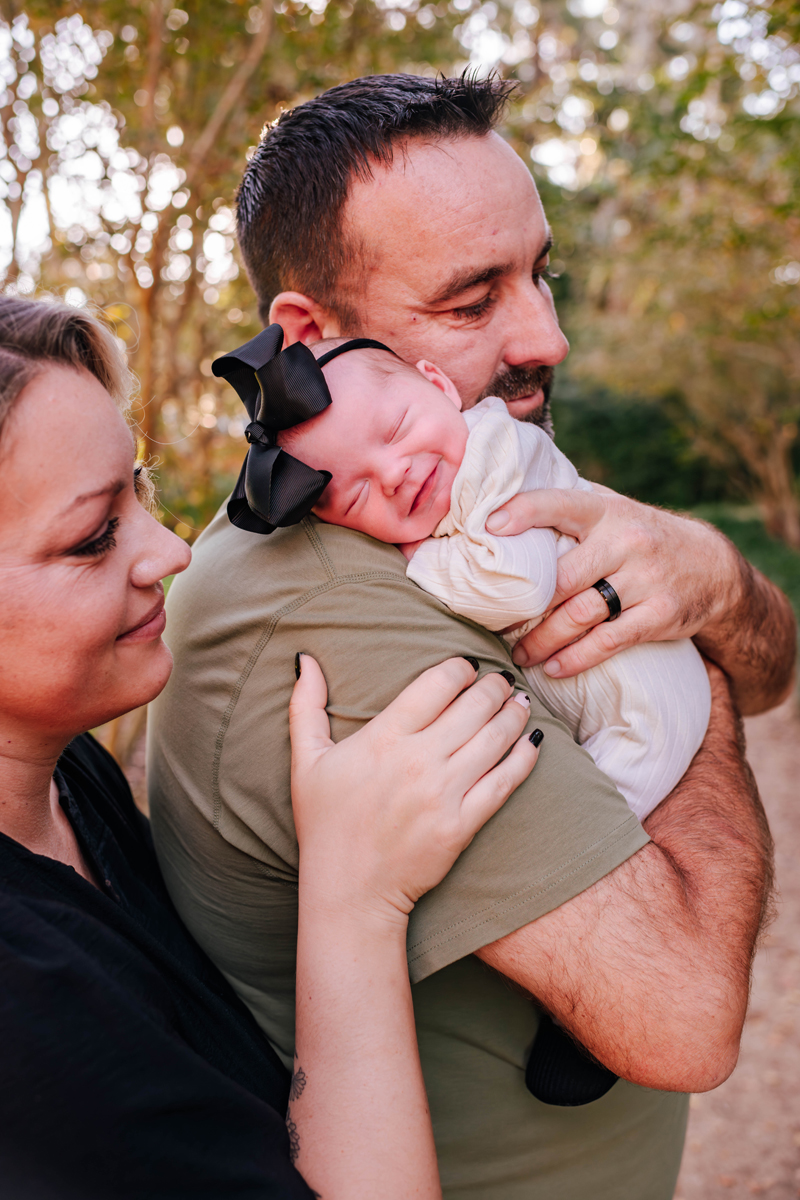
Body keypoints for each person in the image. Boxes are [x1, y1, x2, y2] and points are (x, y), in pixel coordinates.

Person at [148, 75, 787, 1199]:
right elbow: (685, 1020)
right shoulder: (325, 605)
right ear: (306, 335)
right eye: (470, 297)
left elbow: (774, 665)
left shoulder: (452, 476)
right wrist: (680, 651)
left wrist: (711, 579)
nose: (547, 333)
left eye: (539, 272)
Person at [0, 293, 541, 1200]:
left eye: (140, 494)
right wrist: (355, 900)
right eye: (92, 538)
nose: (170, 552)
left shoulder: (65, 779)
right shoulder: (25, 1011)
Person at [251, 331, 711, 825]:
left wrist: (418, 557)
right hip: (606, 698)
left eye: (396, 428)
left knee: (584, 838)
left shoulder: (493, 453)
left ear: (439, 386)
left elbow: (518, 586)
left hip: (645, 708)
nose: (391, 473)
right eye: (357, 494)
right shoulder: (444, 491)